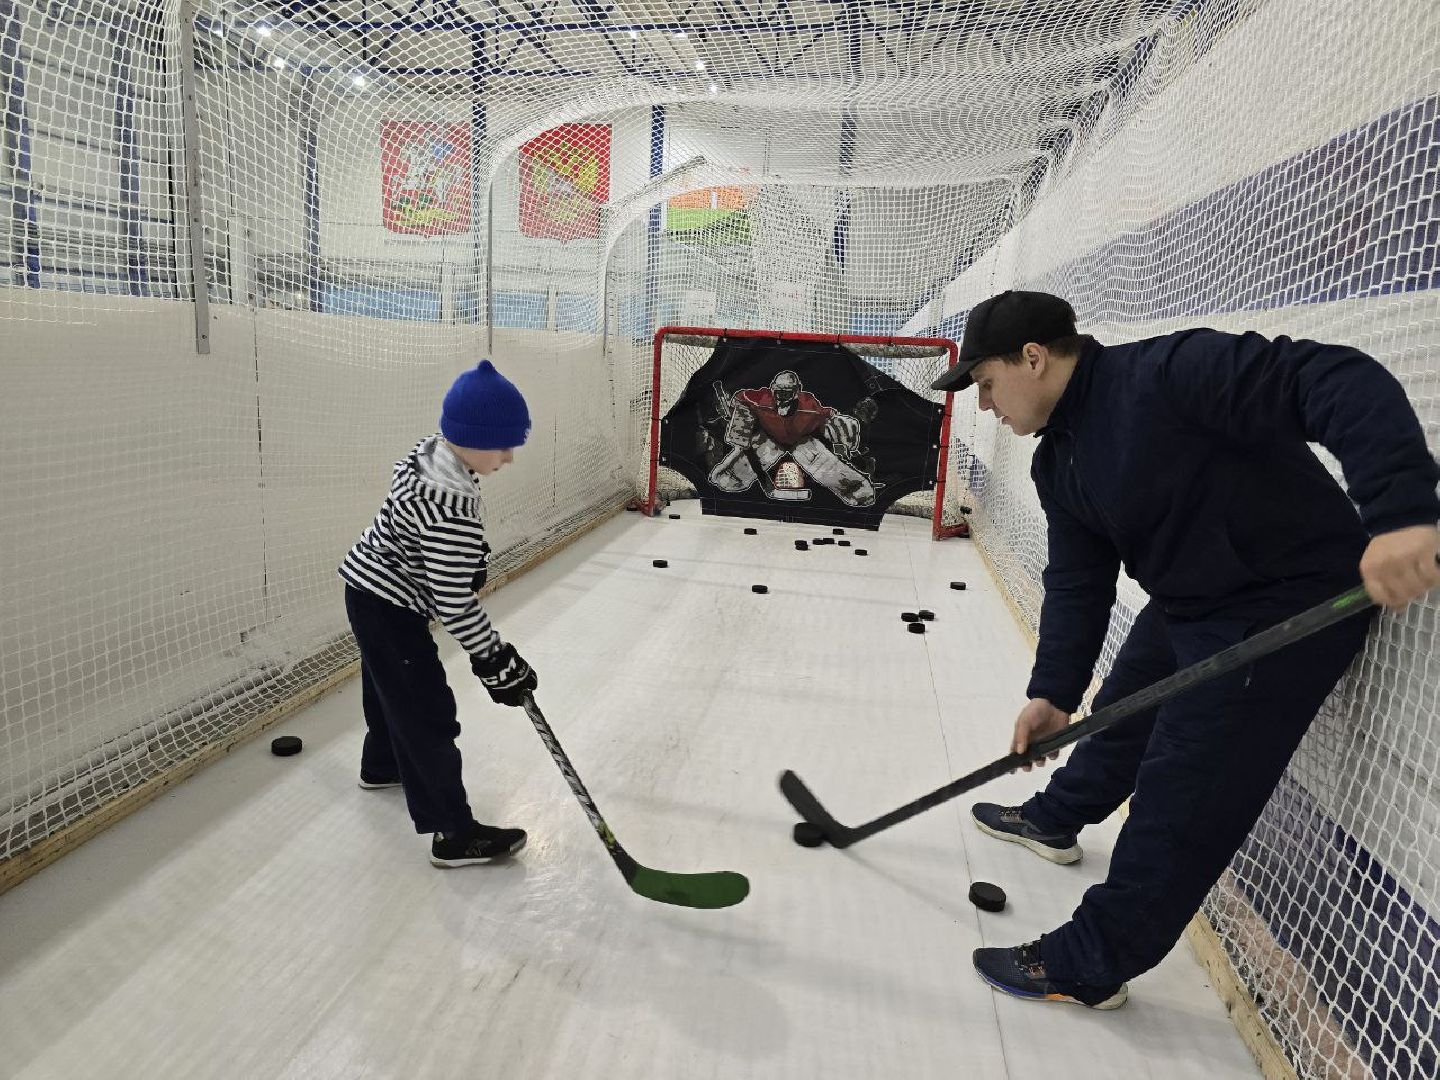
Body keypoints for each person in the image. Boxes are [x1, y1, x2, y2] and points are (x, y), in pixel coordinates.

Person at [930, 291, 1440, 1009]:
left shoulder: (1168, 374)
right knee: (1120, 710)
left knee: (1183, 792)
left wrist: (1401, 514)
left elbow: (1332, 378)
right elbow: (1077, 582)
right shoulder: (1060, 463)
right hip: (1195, 603)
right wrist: (1052, 695)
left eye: (985, 383)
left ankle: (1091, 964)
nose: (984, 406)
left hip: (1285, 602)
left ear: (1034, 358)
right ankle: (1056, 818)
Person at [339, 360, 539, 868]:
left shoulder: (432, 454)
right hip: (390, 606)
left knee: (387, 691)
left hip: (365, 588)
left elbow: (429, 540)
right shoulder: (449, 505)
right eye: (502, 445)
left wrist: (467, 557)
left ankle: (381, 764)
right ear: (469, 438)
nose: (510, 457)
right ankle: (452, 833)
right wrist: (494, 659)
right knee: (425, 713)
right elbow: (453, 602)